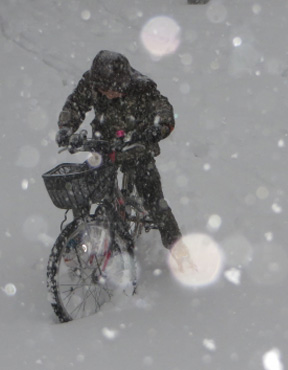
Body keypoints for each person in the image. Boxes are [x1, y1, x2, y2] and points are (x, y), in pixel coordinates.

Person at [56, 50, 194, 271]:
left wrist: (158, 128)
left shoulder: (142, 87)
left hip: (136, 146)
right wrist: (66, 127)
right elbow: (75, 104)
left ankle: (179, 250)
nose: (107, 94)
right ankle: (81, 236)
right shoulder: (92, 80)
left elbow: (163, 109)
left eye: (113, 90)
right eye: (103, 90)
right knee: (84, 190)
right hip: (104, 143)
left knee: (154, 201)